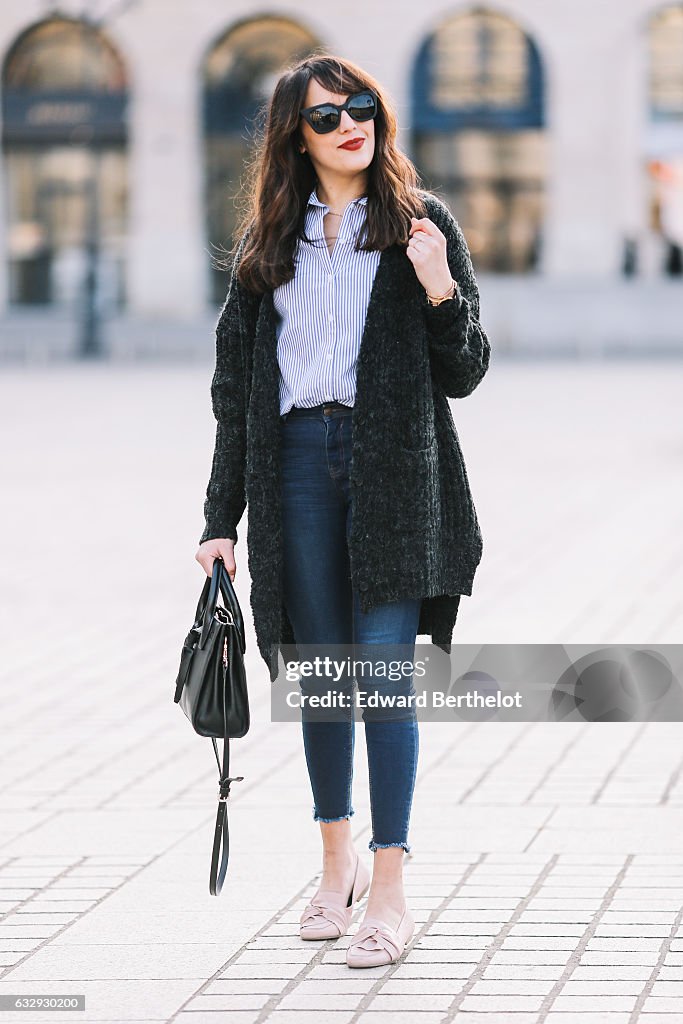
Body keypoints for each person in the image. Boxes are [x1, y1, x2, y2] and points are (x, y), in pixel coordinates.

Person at [195, 53, 490, 968]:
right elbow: (235, 396)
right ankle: (335, 871)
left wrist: (439, 285)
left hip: (394, 474)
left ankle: (389, 887)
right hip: (292, 469)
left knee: (383, 681)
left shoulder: (419, 224)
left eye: (359, 107)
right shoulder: (267, 243)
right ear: (295, 136)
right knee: (320, 681)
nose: (348, 125)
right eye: (324, 117)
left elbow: (467, 369)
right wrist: (218, 521)